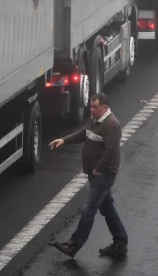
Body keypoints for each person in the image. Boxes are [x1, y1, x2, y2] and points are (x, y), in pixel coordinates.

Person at [49, 92, 128, 259]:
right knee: (108, 210)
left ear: (105, 108)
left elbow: (111, 151)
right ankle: (120, 243)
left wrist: (98, 168)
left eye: (95, 107)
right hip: (97, 175)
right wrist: (64, 140)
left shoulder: (111, 125)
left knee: (88, 210)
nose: (91, 110)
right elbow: (85, 133)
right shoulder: (96, 120)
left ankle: (73, 245)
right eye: (91, 106)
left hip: (103, 175)